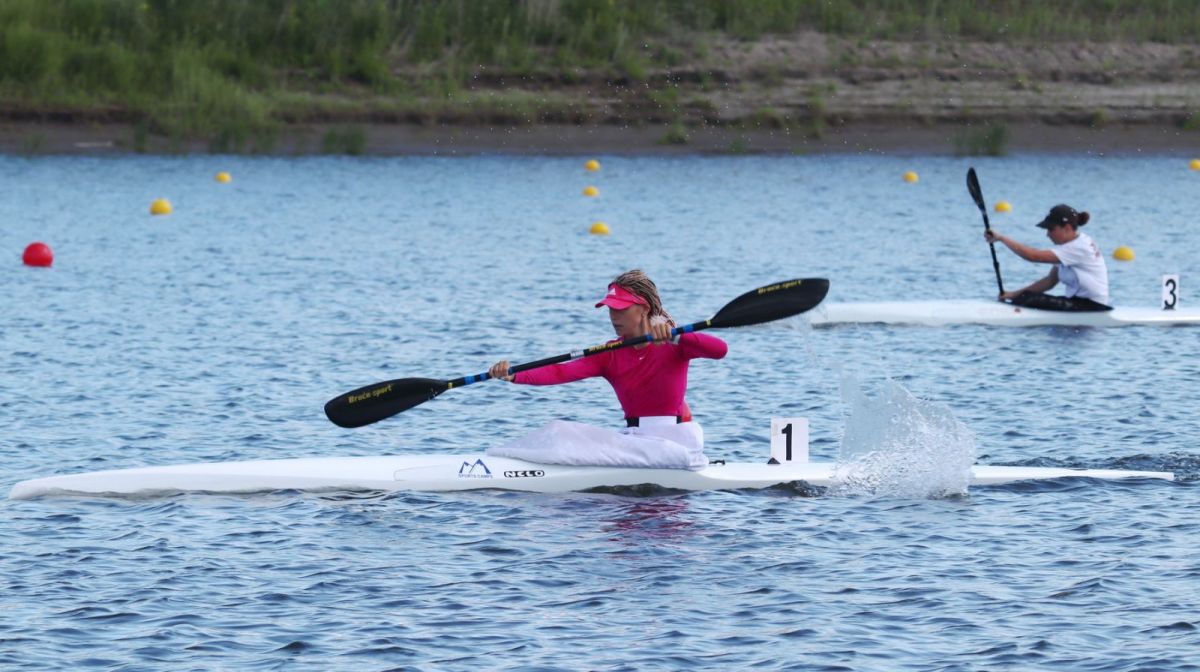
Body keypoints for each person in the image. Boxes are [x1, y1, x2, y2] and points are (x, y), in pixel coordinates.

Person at [485, 269, 728, 470]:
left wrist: (678, 337)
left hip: (676, 445)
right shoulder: (610, 353)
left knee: (561, 434)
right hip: (636, 442)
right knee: (558, 431)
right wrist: (514, 375)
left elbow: (720, 350)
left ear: (643, 309)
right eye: (611, 309)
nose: (613, 316)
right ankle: (502, 462)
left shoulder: (675, 345)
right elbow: (560, 372)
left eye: (620, 308)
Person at [984, 203, 1111, 311]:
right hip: (1080, 303)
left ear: (1067, 228)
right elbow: (1050, 281)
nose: (1047, 234)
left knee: (1028, 299)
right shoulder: (1071, 246)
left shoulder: (1078, 247)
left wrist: (1001, 238)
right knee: (1025, 296)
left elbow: (1033, 256)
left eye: (1051, 229)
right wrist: (1014, 294)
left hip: (1091, 307)